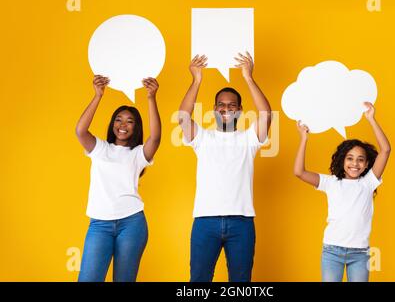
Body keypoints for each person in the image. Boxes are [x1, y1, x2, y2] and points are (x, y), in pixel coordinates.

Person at [179, 52, 271, 282]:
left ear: (240, 110)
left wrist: (248, 77)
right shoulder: (202, 137)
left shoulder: (249, 139)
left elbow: (266, 115)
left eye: (232, 105)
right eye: (221, 105)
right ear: (214, 109)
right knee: (198, 281)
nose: (226, 109)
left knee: (240, 283)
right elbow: (183, 117)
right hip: (204, 221)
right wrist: (196, 79)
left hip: (242, 222)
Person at [75, 75, 161, 282]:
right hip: (99, 224)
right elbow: (80, 130)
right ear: (113, 124)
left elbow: (156, 137)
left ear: (136, 127)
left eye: (130, 121)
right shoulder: (99, 148)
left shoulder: (138, 153)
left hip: (132, 223)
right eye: (118, 120)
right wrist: (98, 96)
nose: (123, 125)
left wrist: (151, 98)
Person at [294, 102, 391, 282]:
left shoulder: (368, 182)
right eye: (350, 158)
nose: (355, 164)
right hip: (332, 251)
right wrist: (304, 139)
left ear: (367, 164)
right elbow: (299, 172)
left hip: (360, 253)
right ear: (342, 160)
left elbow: (385, 150)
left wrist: (371, 119)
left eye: (360, 160)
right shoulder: (331, 182)